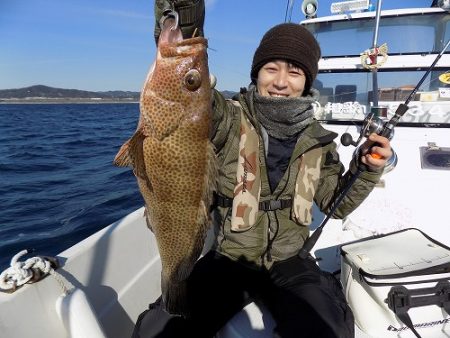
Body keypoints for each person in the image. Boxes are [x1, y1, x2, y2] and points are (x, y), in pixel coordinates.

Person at [133, 1, 392, 337]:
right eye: (271, 68)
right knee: (158, 332)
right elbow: (187, 82)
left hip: (290, 262)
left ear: (306, 81)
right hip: (229, 259)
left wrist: (366, 168)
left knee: (328, 330)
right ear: (256, 73)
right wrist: (185, 11)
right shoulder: (227, 118)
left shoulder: (319, 140)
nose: (281, 82)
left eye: (295, 72)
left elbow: (336, 205)